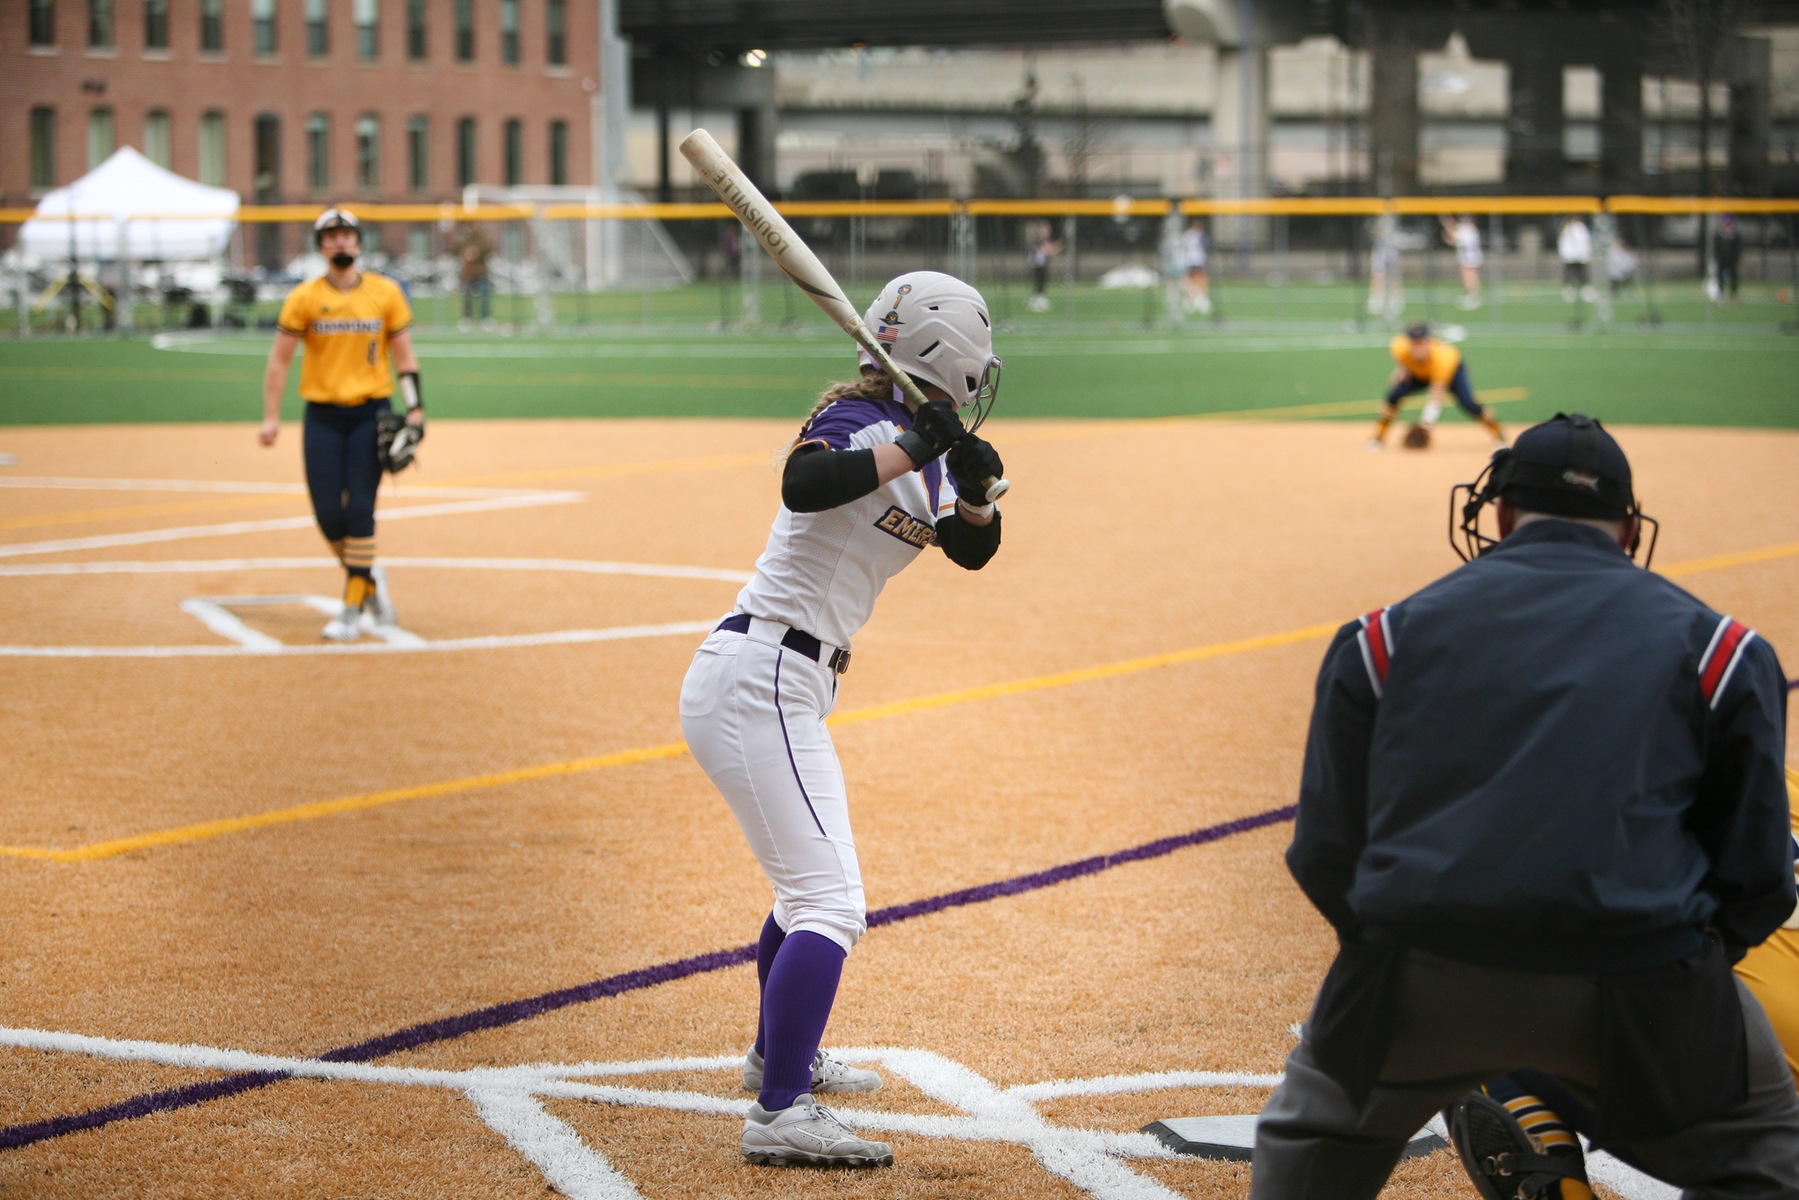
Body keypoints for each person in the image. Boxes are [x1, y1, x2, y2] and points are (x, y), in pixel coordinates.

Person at [1249, 413, 1799, 1199]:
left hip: (1421, 965)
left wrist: (1397, 952)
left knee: (1308, 1143)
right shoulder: (1724, 650)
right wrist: (1682, 966)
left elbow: (1325, 852)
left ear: (1500, 515)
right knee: (1759, 1155)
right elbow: (1756, 877)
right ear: (1631, 527)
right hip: (1638, 970)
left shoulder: (1379, 639)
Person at [678, 270, 1007, 1168]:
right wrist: (911, 445)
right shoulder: (864, 424)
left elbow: (970, 550)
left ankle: (774, 1061)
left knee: (807, 891)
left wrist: (972, 488)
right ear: (956, 355)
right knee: (831, 900)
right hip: (762, 672)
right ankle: (780, 1111)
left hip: (787, 681)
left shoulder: (922, 445)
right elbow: (802, 483)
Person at [260, 208, 424, 641]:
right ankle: (369, 578)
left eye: (347, 235)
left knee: (359, 511)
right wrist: (271, 416)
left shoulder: (385, 293)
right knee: (329, 515)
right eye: (331, 236)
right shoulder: (305, 297)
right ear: (320, 247)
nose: (340, 243)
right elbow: (279, 360)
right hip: (323, 415)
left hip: (371, 413)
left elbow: (405, 358)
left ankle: (352, 608)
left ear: (359, 243)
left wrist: (416, 412)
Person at [1366, 322, 1505, 451]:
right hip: (1418, 373)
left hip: (1453, 373)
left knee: (1469, 404)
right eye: (1413, 343)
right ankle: (1378, 438)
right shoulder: (1399, 346)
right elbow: (1402, 359)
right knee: (1392, 397)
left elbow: (1436, 392)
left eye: (1420, 342)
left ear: (1429, 341)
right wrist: (1402, 370)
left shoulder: (1443, 359)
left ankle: (1499, 436)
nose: (1417, 347)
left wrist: (1426, 423)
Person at [453, 220, 495, 330]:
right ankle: (467, 319)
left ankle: (486, 319)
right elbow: (456, 249)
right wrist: (465, 253)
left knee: (484, 296)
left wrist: (476, 252)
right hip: (468, 272)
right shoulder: (464, 238)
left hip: (481, 272)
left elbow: (488, 248)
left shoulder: (482, 238)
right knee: (466, 296)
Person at [1367, 213, 1403, 318]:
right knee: (1377, 274)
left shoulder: (1394, 217)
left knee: (1394, 275)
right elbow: (1374, 233)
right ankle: (1377, 298)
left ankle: (1396, 299)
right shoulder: (1376, 216)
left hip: (1391, 249)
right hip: (1380, 249)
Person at [1026, 220, 1062, 313]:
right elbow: (1047, 250)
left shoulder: (1046, 240)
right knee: (1039, 281)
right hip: (1038, 263)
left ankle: (1039, 298)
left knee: (1043, 282)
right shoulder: (1039, 240)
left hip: (1043, 263)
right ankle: (1037, 300)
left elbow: (1051, 251)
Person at [1178, 217, 1212, 315]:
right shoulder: (1198, 235)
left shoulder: (1187, 235)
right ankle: (1196, 298)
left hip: (1191, 261)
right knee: (1198, 279)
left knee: (1194, 279)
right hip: (1195, 260)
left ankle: (1194, 298)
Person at [1558, 215, 1594, 303]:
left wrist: (1586, 254)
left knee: (1582, 273)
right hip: (1570, 255)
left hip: (1578, 255)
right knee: (1570, 272)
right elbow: (1563, 242)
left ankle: (1585, 289)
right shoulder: (1566, 227)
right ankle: (1569, 289)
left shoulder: (1580, 227)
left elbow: (1584, 241)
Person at [1713, 213, 1743, 304]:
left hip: (1732, 260)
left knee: (1734, 278)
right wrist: (1717, 258)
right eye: (1726, 223)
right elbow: (1716, 248)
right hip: (1722, 260)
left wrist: (1736, 258)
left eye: (1729, 223)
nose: (1727, 225)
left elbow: (1739, 248)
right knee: (1720, 277)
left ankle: (1734, 296)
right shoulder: (1719, 235)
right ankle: (1720, 295)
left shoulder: (1736, 236)